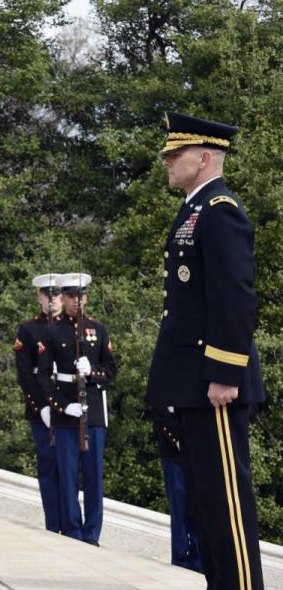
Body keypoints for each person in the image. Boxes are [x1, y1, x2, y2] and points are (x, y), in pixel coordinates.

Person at [146, 112, 265, 589]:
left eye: (175, 155)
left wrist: (225, 373)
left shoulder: (220, 210)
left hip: (215, 382)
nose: (167, 162)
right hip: (193, 380)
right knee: (206, 498)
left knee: (227, 499)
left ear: (204, 157)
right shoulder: (195, 209)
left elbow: (235, 298)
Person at [36, 273, 116, 545]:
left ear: (87, 297)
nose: (76, 301)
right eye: (70, 296)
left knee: (93, 475)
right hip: (66, 409)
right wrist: (61, 406)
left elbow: (111, 369)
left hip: (92, 409)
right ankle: (72, 530)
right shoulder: (52, 331)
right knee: (68, 475)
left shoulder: (98, 329)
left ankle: (92, 533)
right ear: (64, 298)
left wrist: (92, 372)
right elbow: (44, 376)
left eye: (80, 295)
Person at [14, 273, 63, 533]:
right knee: (47, 463)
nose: (53, 299)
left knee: (67, 468)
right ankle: (52, 523)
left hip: (67, 406)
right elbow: (24, 374)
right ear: (39, 298)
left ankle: (70, 524)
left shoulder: (72, 328)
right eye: (48, 295)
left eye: (56, 295)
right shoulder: (29, 329)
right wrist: (40, 406)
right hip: (41, 407)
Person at [148, 405, 203, 572]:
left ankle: (198, 559)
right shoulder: (164, 378)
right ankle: (180, 558)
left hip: (199, 451)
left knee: (199, 509)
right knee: (178, 508)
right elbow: (159, 408)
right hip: (173, 451)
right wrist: (178, 440)